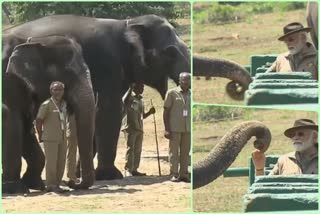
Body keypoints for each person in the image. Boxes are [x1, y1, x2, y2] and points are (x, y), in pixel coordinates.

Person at [252, 119, 318, 176]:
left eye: (301, 134)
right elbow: (264, 187)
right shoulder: (284, 160)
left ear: (314, 136)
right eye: (292, 135)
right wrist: (259, 169)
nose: (295, 137)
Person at [36, 81, 67, 193]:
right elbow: (39, 120)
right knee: (51, 162)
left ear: (63, 91)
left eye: (60, 89)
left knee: (61, 162)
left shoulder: (63, 104)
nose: (58, 92)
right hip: (50, 138)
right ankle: (50, 184)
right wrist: (40, 134)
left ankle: (57, 184)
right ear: (51, 91)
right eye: (55, 89)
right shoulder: (47, 104)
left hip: (62, 138)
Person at [121, 82, 155, 177]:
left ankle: (135, 169)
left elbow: (142, 116)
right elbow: (124, 101)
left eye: (143, 87)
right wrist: (130, 88)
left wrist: (150, 112)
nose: (143, 89)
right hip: (130, 127)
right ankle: (128, 169)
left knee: (137, 150)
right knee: (130, 149)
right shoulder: (130, 98)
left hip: (139, 128)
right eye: (141, 87)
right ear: (135, 88)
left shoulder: (140, 100)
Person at [163, 72, 191, 182]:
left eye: (188, 80)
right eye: (183, 80)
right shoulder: (172, 93)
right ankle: (174, 173)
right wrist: (166, 129)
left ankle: (184, 174)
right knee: (174, 152)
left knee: (185, 152)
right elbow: (166, 112)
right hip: (174, 128)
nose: (186, 82)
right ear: (179, 81)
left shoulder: (191, 94)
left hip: (187, 129)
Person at [65, 114, 79, 185]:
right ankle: (71, 176)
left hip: (76, 130)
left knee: (72, 153)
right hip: (72, 131)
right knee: (71, 153)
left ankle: (73, 175)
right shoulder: (70, 105)